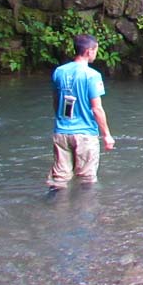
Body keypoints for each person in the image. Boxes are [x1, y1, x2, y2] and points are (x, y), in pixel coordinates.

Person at [47, 34, 115, 189]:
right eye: (95, 50)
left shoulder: (59, 72)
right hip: (85, 134)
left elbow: (56, 101)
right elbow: (97, 108)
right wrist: (107, 135)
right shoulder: (92, 75)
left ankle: (56, 208)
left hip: (62, 132)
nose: (96, 54)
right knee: (86, 180)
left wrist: (61, 121)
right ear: (89, 51)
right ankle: (84, 212)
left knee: (59, 179)